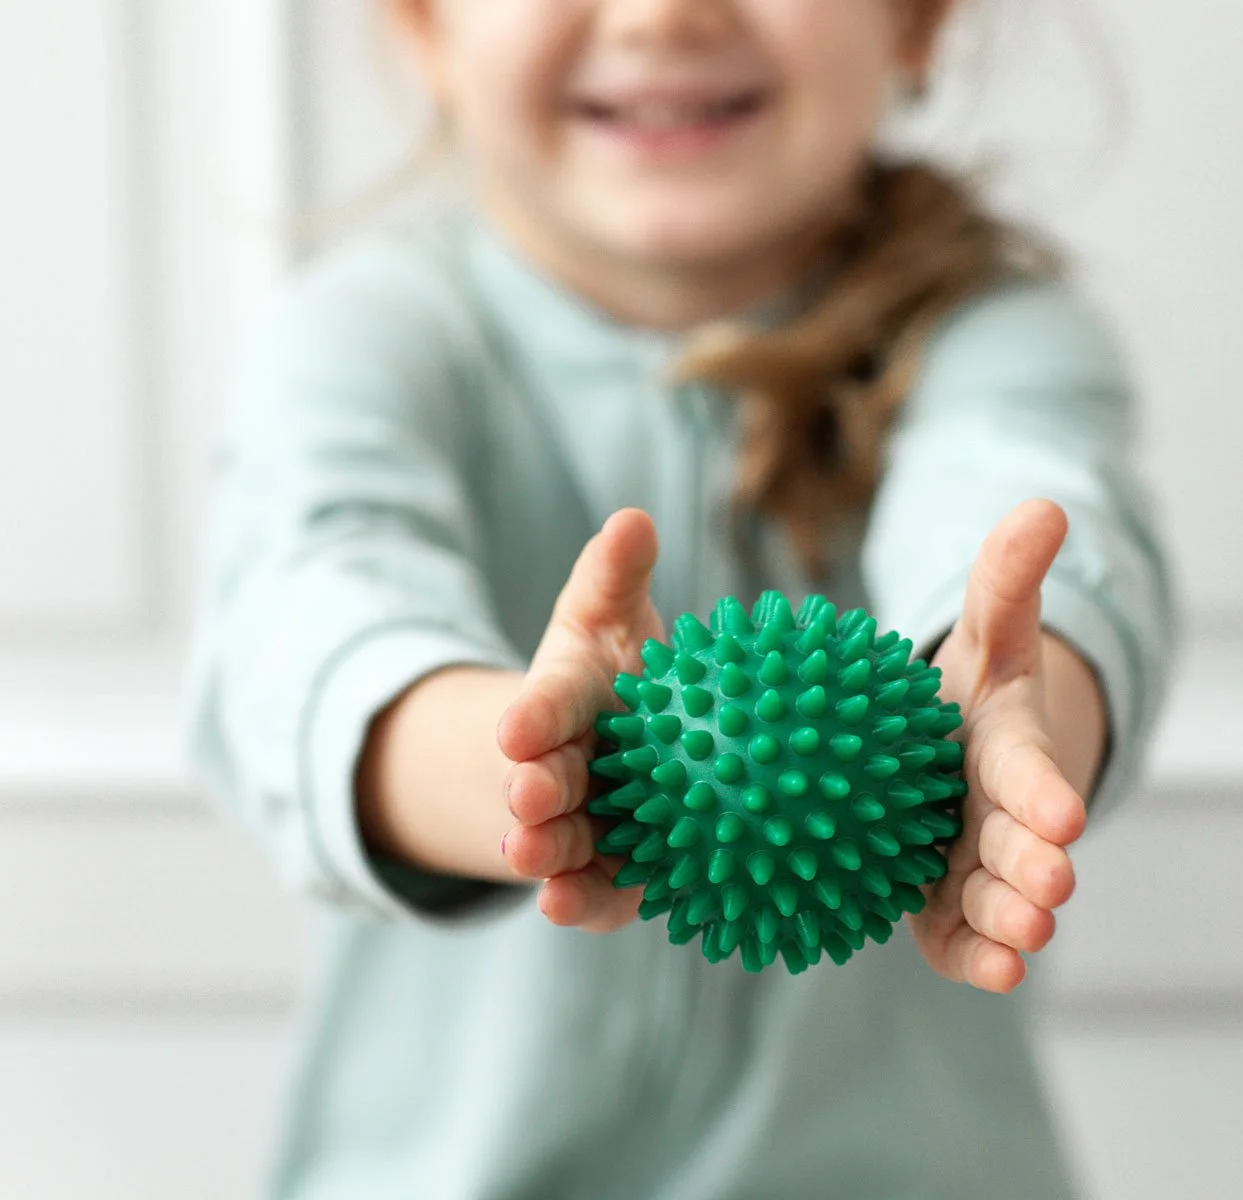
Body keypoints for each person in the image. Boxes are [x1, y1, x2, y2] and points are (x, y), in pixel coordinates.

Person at [182, 1, 1174, 1195]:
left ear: (914, 23)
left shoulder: (1002, 338)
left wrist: (1006, 716)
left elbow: (1040, 529)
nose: (664, 15)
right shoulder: (357, 336)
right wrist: (542, 771)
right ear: (424, 28)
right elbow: (307, 611)